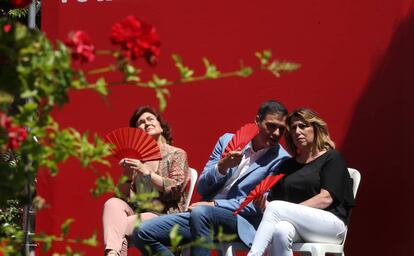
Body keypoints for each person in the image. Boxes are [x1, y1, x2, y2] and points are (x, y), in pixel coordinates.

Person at [132, 100, 291, 256]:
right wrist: (222, 167)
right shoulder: (227, 141)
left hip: (241, 221)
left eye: (281, 129)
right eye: (271, 126)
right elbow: (202, 187)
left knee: (202, 212)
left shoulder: (281, 159)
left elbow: (256, 205)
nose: (276, 133)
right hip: (201, 216)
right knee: (141, 232)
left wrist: (214, 204)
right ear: (257, 121)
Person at [247, 108, 355, 256]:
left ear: (315, 128)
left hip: (332, 225)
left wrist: (286, 210)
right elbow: (274, 202)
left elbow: (326, 198)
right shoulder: (287, 165)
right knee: (281, 231)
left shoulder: (332, 158)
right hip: (300, 224)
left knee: (278, 208)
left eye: (303, 126)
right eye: (293, 128)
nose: (297, 131)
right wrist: (263, 205)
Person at [103, 106, 190, 256]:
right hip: (139, 213)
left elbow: (175, 189)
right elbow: (123, 199)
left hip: (166, 214)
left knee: (118, 230)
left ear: (161, 127)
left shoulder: (176, 154)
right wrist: (128, 176)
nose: (146, 123)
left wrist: (147, 173)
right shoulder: (135, 159)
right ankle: (112, 254)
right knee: (112, 204)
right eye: (141, 122)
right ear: (137, 132)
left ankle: (112, 252)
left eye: (150, 119)